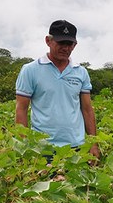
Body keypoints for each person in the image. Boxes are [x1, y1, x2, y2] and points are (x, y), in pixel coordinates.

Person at [15, 19, 100, 160]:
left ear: (75, 44)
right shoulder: (30, 70)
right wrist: (25, 147)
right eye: (61, 43)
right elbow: (21, 109)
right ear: (48, 41)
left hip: (76, 147)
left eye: (69, 44)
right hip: (43, 148)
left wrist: (93, 143)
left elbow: (87, 109)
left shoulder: (80, 72)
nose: (65, 48)